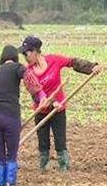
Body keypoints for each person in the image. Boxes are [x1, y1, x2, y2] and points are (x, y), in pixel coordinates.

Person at [19, 36, 101, 172]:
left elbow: (72, 62)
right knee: (43, 143)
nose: (24, 57)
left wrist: (92, 67)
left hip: (59, 110)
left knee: (60, 141)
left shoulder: (53, 60)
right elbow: (35, 95)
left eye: (26, 53)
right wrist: (50, 104)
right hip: (41, 110)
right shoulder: (29, 72)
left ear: (35, 51)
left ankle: (64, 167)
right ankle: (43, 167)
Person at [0, 45, 48, 186]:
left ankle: (0, 183)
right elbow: (29, 79)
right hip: (11, 115)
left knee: (0, 153)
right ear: (15, 58)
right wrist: (40, 96)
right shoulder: (17, 67)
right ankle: (10, 183)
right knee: (12, 152)